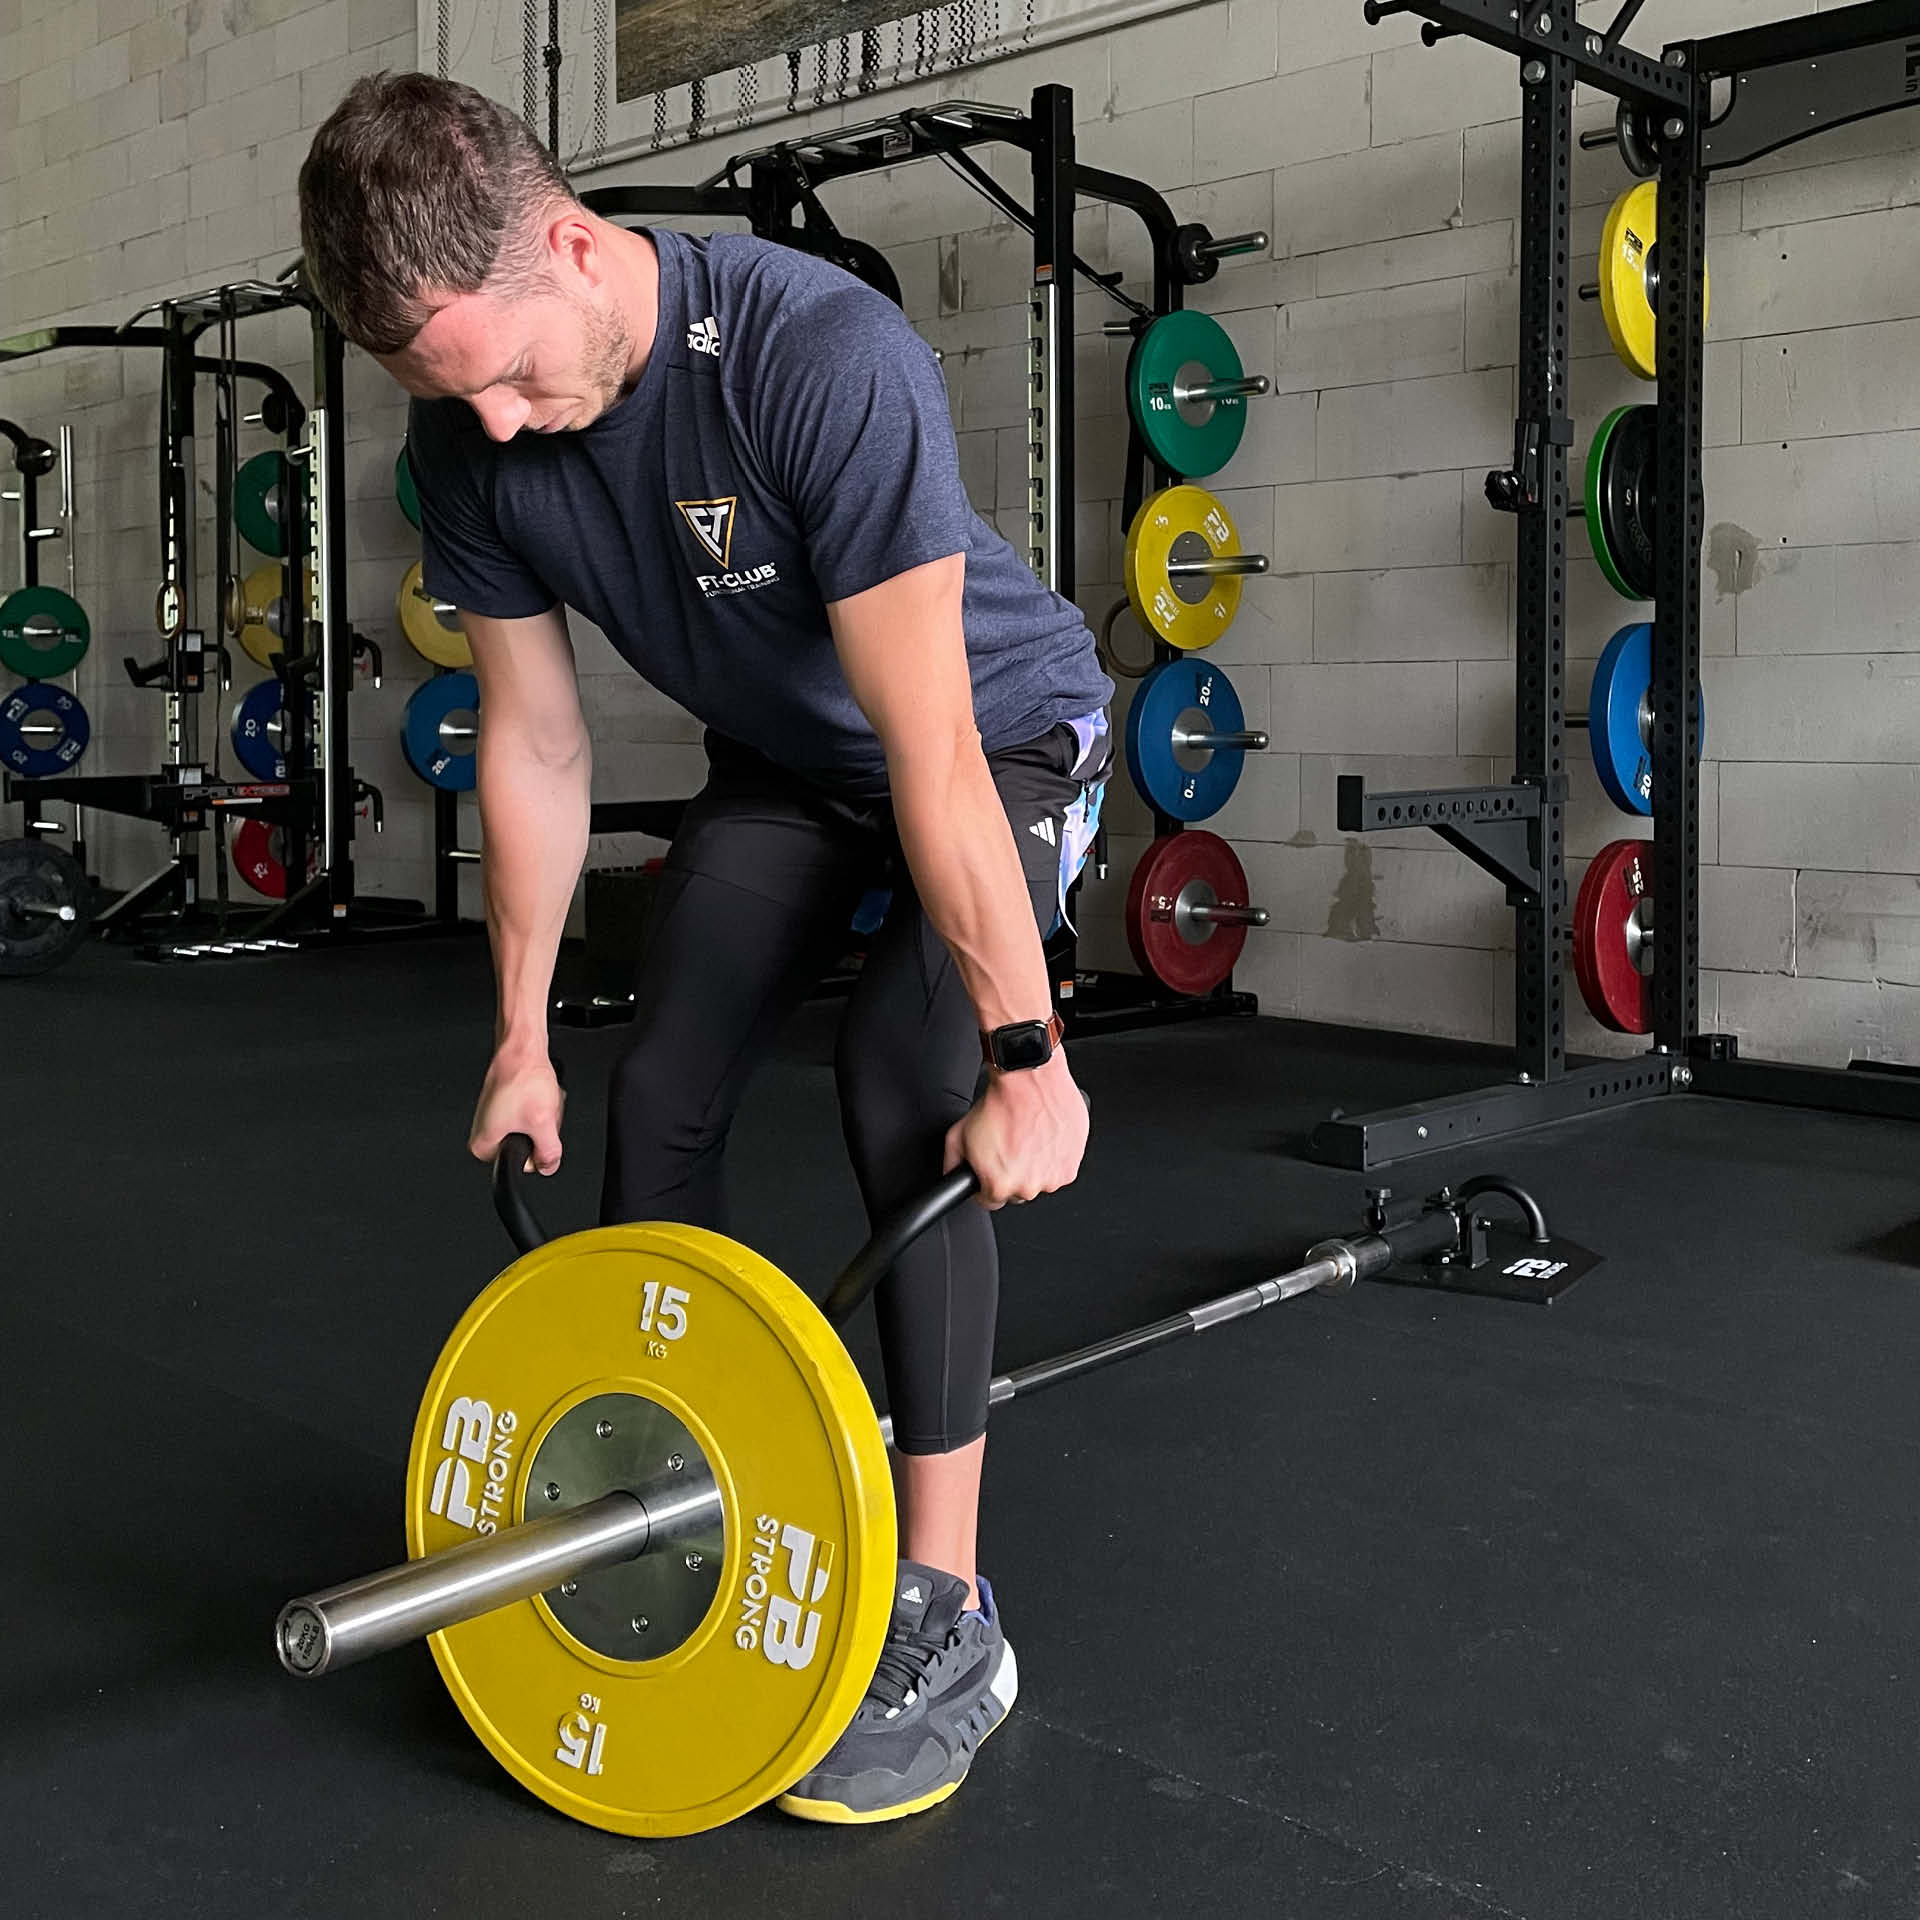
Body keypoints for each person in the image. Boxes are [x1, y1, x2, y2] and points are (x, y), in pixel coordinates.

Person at [298, 71, 1113, 1824]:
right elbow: (532, 741)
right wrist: (517, 1034)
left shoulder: (819, 355)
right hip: (791, 773)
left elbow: (936, 755)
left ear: (575, 245)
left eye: (511, 372)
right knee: (656, 1081)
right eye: (459, 399)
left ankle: (949, 1606)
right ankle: (686, 1483)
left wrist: (1028, 1055)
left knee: (910, 1071)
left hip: (998, 734)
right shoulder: (466, 447)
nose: (500, 431)